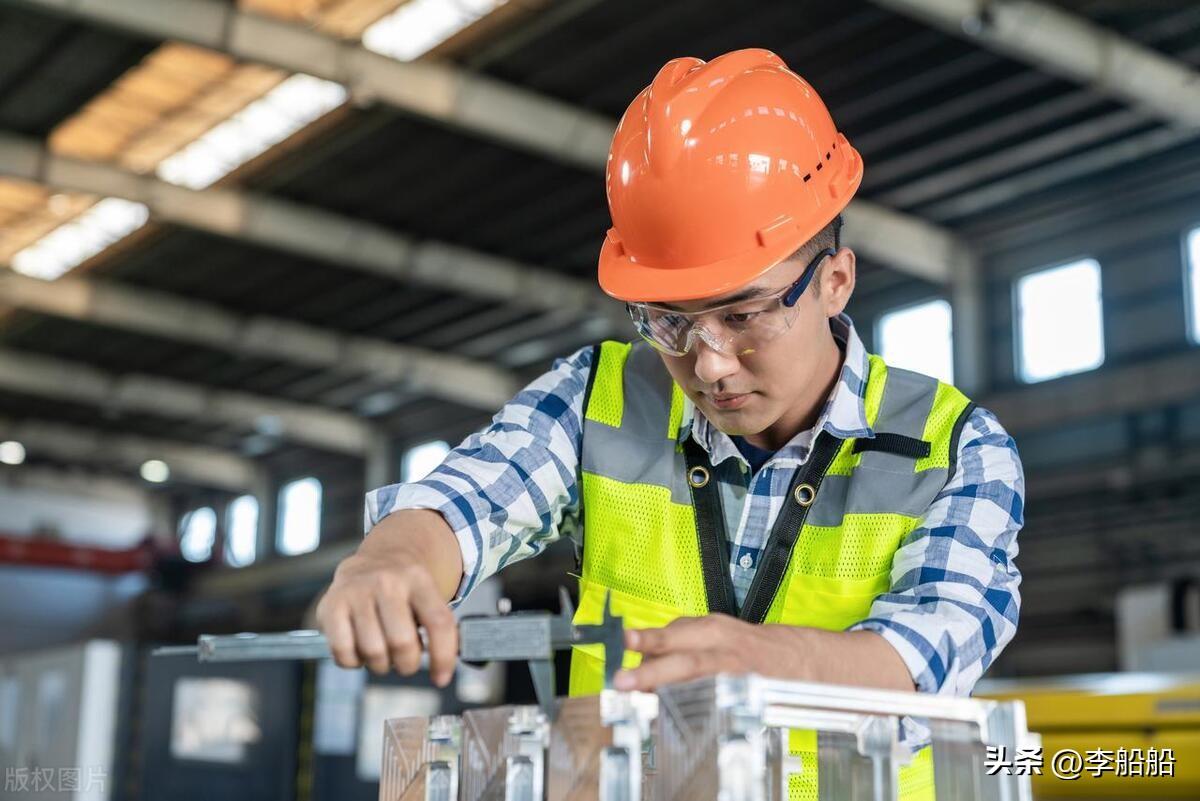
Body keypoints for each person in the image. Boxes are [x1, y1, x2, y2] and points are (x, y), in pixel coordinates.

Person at [317, 48, 1023, 798]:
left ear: (835, 281)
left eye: (744, 314)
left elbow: (931, 650)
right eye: (668, 322)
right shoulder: (597, 400)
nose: (710, 363)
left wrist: (768, 667)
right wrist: (390, 557)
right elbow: (472, 494)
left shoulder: (954, 451)